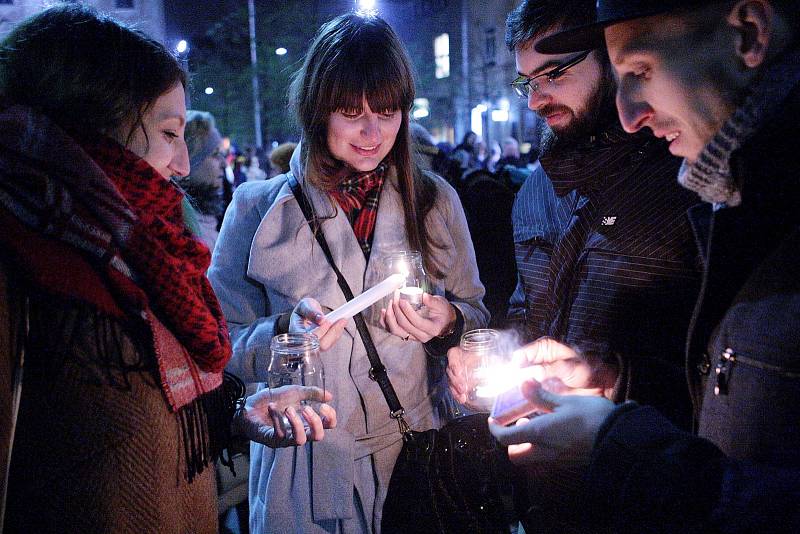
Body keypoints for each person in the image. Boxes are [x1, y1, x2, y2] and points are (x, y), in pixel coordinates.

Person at [0, 5, 335, 532]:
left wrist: (237, 412)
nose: (181, 165)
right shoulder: (26, 260)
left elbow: (151, 405)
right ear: (101, 125)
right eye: (170, 132)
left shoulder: (143, 249)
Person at [492, 0, 800, 531]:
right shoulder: (728, 196)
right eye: (527, 83)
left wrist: (620, 439)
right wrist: (602, 381)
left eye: (637, 71)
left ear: (750, 33)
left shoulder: (696, 195)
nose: (631, 115)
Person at [207, 11, 488, 533]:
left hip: (416, 458)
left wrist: (449, 323)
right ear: (317, 110)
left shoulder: (434, 200)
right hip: (305, 471)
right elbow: (219, 345)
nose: (372, 131)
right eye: (350, 111)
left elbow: (475, 312)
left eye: (387, 111)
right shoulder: (254, 207)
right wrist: (283, 335)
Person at [177, 109, 226, 250]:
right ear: (191, 159)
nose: (223, 163)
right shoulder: (182, 230)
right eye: (215, 154)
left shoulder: (207, 219)